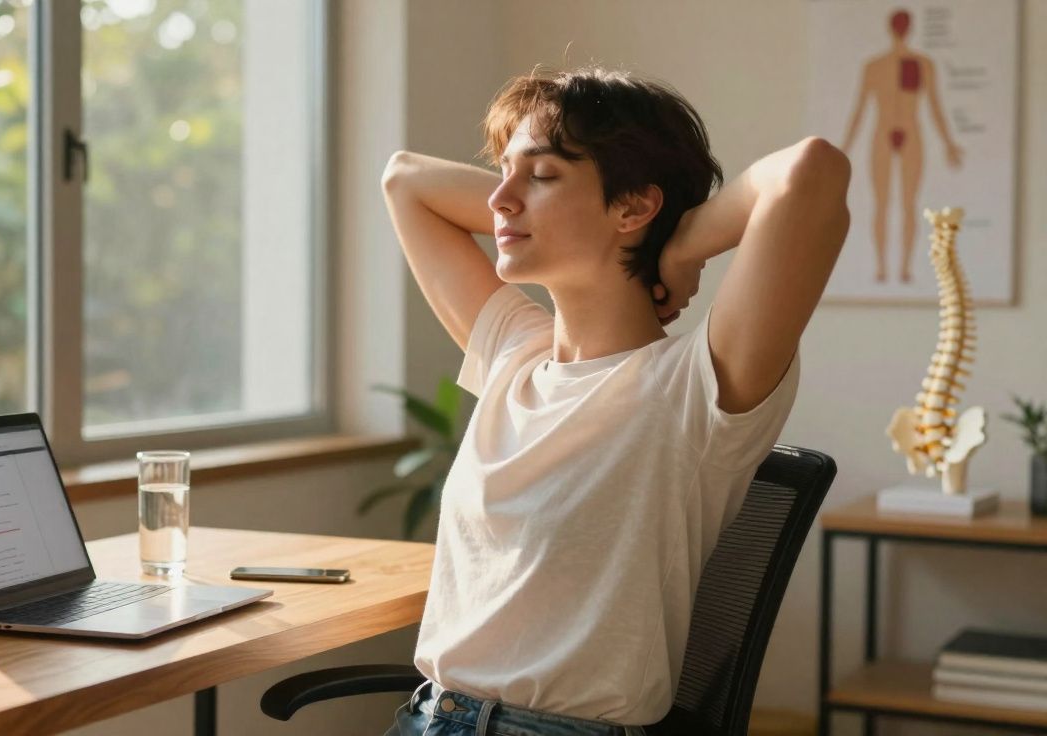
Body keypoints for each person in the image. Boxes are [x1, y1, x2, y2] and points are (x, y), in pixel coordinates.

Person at [380, 65, 850, 736]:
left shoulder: (696, 385)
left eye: (539, 176)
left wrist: (682, 244)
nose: (500, 202)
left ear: (634, 206)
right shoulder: (515, 355)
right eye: (504, 174)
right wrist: (554, 198)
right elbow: (404, 180)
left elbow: (813, 172)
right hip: (428, 717)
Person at [843, 8, 963, 284]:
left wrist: (948, 143)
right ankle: (883, 268)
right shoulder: (874, 66)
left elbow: (934, 106)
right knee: (884, 203)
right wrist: (843, 148)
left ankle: (903, 269)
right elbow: (859, 109)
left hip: (909, 133)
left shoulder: (921, 64)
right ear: (908, 29)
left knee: (907, 203)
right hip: (884, 133)